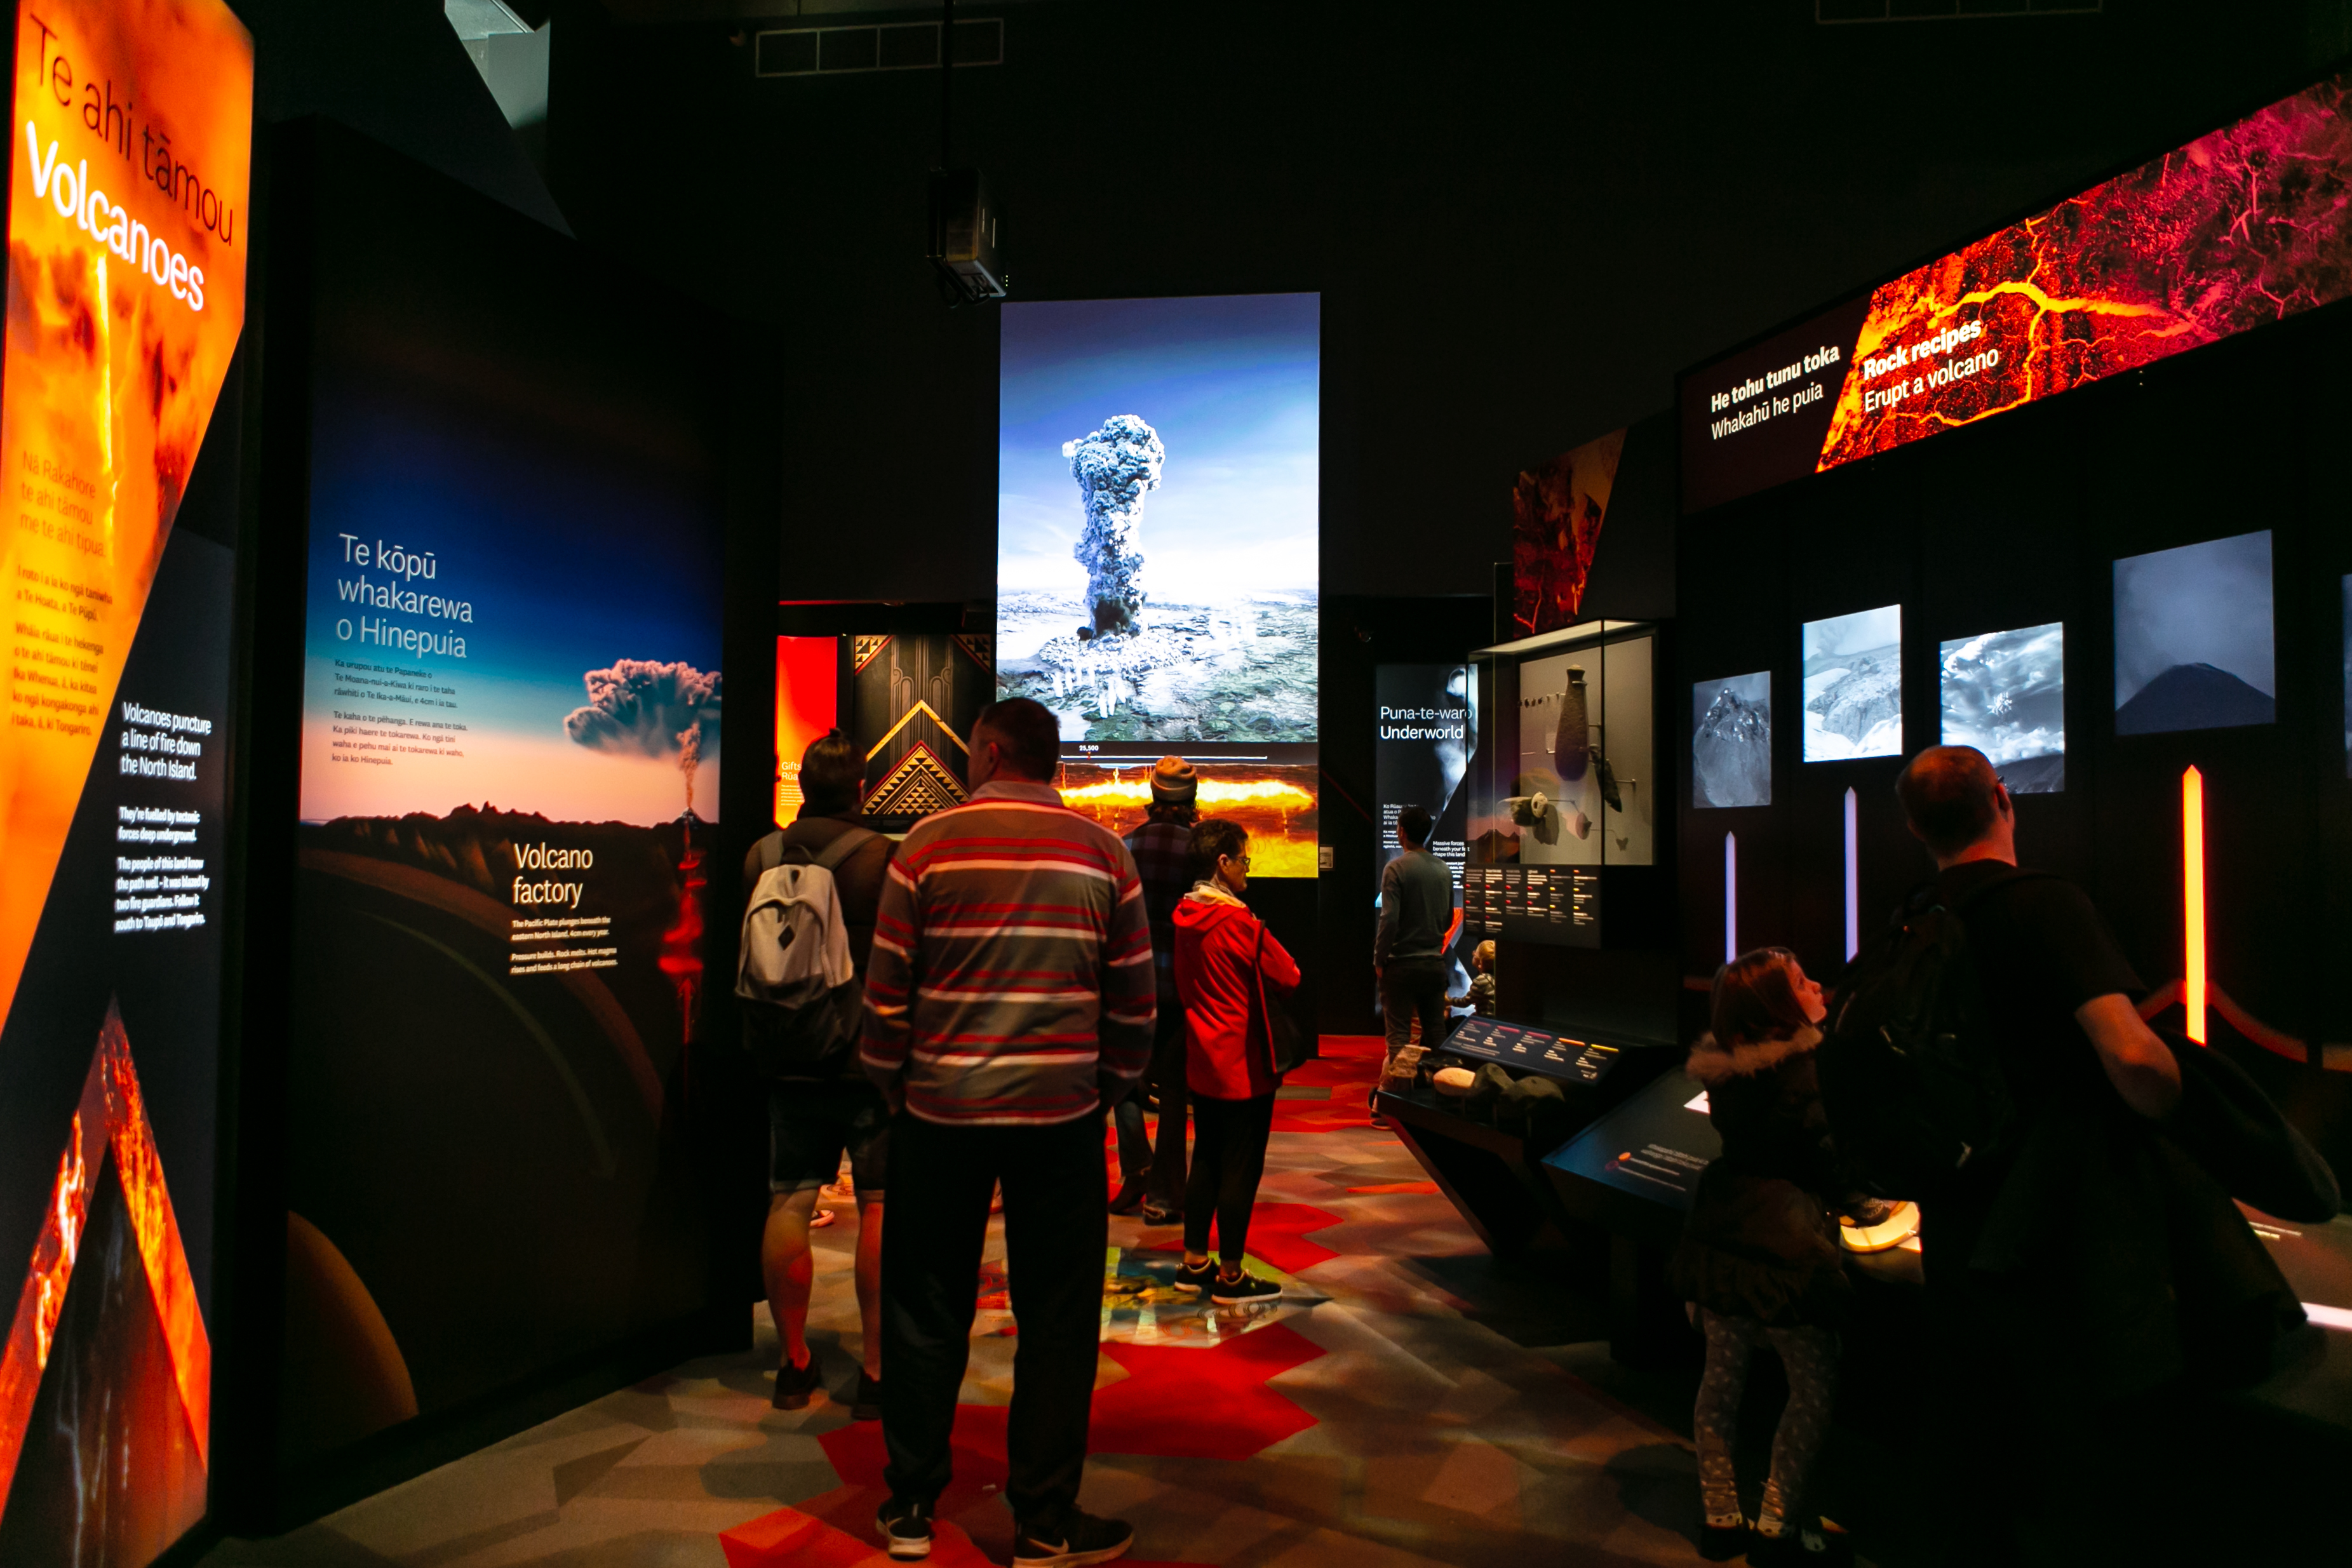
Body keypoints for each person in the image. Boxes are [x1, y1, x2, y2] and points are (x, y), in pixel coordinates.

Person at [861, 697, 1155, 1566]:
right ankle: (1041, 1520)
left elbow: (884, 1000)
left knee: (925, 1306)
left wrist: (892, 1089)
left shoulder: (924, 848)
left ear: (989, 751)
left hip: (938, 1119)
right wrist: (1103, 1090)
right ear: (1050, 760)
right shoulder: (1106, 855)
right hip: (1060, 1123)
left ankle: (911, 1504)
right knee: (1057, 1317)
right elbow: (1135, 1005)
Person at [1889, 744, 2181, 1562]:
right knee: (2075, 1442)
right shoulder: (2046, 905)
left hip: (1954, 1220)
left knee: (1969, 1431)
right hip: (2057, 1227)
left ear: (1914, 827)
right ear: (2005, 800)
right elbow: (2129, 1056)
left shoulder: (1916, 917)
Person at [1670, 949, 1850, 1564]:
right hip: (1787, 1249)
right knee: (1814, 1383)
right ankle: (1778, 1519)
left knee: (1720, 1382)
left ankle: (1720, 1515)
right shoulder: (1805, 1075)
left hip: (1721, 1236)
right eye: (1801, 982)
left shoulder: (1726, 1076)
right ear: (1777, 1009)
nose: (1817, 984)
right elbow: (1828, 1159)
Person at [745, 731, 894, 1417]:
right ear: (860, 787)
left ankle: (792, 1362)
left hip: (784, 1054)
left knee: (788, 1201)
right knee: (878, 1206)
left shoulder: (760, 854)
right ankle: (875, 1366)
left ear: (802, 786)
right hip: (863, 1060)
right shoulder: (879, 859)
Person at [1170, 818, 1301, 1305]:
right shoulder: (1238, 922)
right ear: (1222, 863)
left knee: (1205, 1156)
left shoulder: (1184, 915)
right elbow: (1289, 975)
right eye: (1244, 859)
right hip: (1243, 1065)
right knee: (1240, 1168)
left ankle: (1193, 1262)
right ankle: (1229, 1275)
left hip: (1202, 1058)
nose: (1248, 868)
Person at [1113, 756, 1199, 1224]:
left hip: (1132, 987)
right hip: (1182, 989)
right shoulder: (1200, 852)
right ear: (1190, 800)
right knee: (1175, 1095)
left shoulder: (1125, 846)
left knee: (1122, 1084)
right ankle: (1164, 1195)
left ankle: (1137, 1165)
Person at [1373, 803, 1453, 1119]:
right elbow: (1447, 919)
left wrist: (1380, 958)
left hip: (1401, 966)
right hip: (1434, 965)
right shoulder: (1443, 869)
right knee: (1436, 1034)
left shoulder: (1395, 869)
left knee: (1399, 1038)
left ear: (1402, 833)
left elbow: (1389, 919)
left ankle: (1399, 1109)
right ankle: (1439, 1105)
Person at [1448, 939, 1496, 1017]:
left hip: (1486, 1020)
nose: (1473, 953)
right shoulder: (1495, 977)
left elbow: (1465, 1002)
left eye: (1475, 953)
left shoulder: (1481, 980)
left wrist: (1448, 1001)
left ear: (1480, 963)